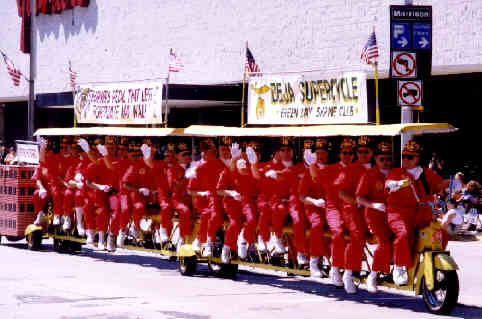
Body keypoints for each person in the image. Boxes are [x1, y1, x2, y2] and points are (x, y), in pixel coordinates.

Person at [385, 139, 447, 286]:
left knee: (441, 231)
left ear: (418, 158)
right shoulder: (396, 172)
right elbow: (388, 185)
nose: (405, 159)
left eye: (410, 156)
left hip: (421, 213)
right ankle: (399, 267)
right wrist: (393, 184)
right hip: (399, 213)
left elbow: (440, 184)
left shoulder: (425, 173)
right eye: (404, 156)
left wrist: (455, 186)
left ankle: (435, 263)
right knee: (403, 234)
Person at [335, 136, 373, 293]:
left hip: (374, 210)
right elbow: (342, 192)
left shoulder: (379, 167)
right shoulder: (349, 169)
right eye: (360, 151)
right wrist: (358, 202)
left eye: (366, 151)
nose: (363, 154)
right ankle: (349, 273)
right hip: (353, 209)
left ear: (371, 153)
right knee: (357, 235)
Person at [261, 137, 308, 266]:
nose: (286, 152)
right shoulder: (272, 166)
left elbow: (301, 176)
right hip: (278, 200)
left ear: (293, 151)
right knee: (278, 210)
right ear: (278, 152)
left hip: (294, 201)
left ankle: (301, 252)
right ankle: (277, 239)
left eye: (289, 150)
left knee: (298, 219)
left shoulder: (299, 166)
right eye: (283, 150)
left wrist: (282, 174)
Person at [356, 140, 393, 293]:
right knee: (384, 242)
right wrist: (373, 205)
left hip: (394, 214)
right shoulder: (369, 175)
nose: (385, 162)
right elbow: (359, 198)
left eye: (388, 159)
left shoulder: (396, 174)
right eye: (382, 159)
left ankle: (398, 269)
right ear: (376, 159)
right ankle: (373, 275)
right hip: (375, 216)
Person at [187, 138, 225, 257]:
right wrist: (201, 194)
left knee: (215, 215)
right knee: (207, 214)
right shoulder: (197, 167)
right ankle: (204, 241)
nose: (213, 153)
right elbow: (190, 190)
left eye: (214, 151)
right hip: (203, 201)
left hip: (218, 199)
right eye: (210, 151)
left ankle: (207, 241)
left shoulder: (219, 163)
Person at [299, 138, 331, 277]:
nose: (321, 156)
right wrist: (315, 202)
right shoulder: (308, 172)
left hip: (330, 207)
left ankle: (336, 263)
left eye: (323, 152)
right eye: (318, 153)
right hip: (314, 208)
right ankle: (313, 261)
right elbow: (302, 197)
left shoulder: (333, 169)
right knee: (317, 225)